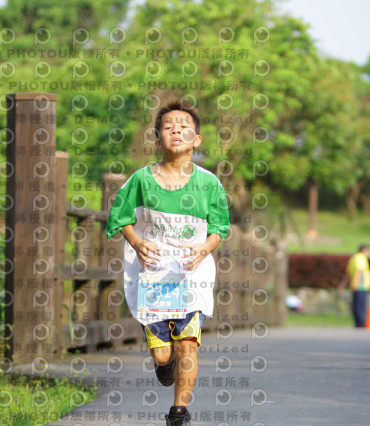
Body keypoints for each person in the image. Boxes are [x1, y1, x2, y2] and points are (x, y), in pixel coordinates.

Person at [106, 101, 230, 426]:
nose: (176, 130)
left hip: (192, 276)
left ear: (197, 139)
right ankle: (164, 365)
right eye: (168, 127)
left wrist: (204, 248)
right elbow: (119, 217)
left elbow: (219, 229)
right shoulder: (142, 180)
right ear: (158, 139)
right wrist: (137, 242)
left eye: (184, 126)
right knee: (165, 354)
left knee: (188, 346)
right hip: (156, 278)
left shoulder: (209, 184)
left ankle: (178, 414)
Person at [341, 244, 370, 327]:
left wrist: (344, 284)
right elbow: (359, 271)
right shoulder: (360, 258)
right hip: (361, 285)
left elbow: (348, 272)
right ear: (364, 250)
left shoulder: (354, 257)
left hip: (357, 285)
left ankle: (358, 323)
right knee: (360, 305)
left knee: (356, 304)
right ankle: (361, 323)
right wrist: (355, 283)